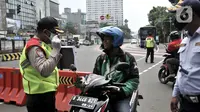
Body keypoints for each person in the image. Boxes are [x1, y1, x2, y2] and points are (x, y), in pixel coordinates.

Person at [19, 17, 64, 112]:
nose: (57, 36)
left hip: (45, 93)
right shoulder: (34, 47)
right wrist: (56, 50)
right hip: (38, 96)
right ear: (46, 32)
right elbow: (44, 70)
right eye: (55, 33)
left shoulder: (43, 45)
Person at [93, 26, 139, 112]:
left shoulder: (128, 58)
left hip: (120, 97)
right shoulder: (100, 59)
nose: (104, 42)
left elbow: (134, 79)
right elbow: (95, 76)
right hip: (103, 95)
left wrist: (121, 91)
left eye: (107, 40)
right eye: (103, 39)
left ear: (115, 41)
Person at [168, 0, 200, 112]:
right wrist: (175, 94)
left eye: (180, 14)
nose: (177, 18)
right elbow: (181, 70)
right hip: (185, 103)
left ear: (192, 15)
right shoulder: (185, 40)